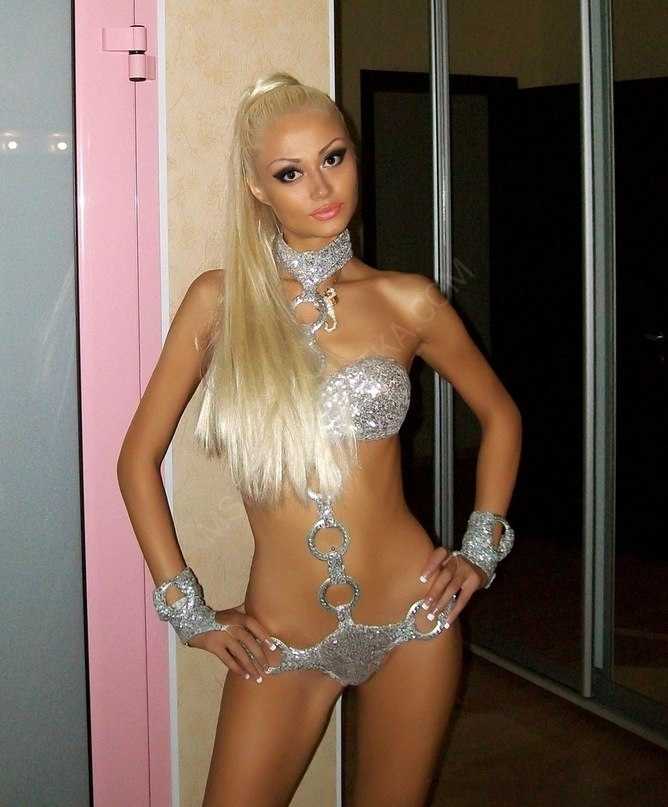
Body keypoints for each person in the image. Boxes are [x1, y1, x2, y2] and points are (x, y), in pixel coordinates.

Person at [117, 72, 522, 807]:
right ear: (257, 188)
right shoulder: (219, 302)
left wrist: (479, 551)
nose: (321, 186)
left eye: (334, 157)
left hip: (415, 618)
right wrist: (189, 612)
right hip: (282, 638)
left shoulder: (408, 301)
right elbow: (136, 461)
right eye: (290, 172)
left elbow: (500, 415)